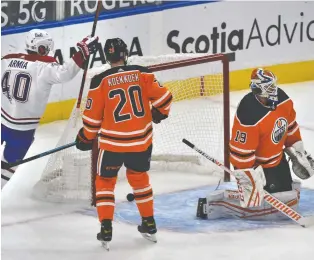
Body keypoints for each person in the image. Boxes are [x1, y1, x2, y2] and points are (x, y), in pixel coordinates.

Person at [75, 38, 172, 246]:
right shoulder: (142, 73)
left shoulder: (99, 80)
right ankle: (149, 223)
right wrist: (159, 113)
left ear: (107, 57)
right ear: (124, 54)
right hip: (140, 142)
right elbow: (165, 98)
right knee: (139, 178)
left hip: (112, 145)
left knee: (105, 181)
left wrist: (85, 137)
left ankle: (106, 227)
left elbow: (92, 121)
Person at [196, 68, 314, 220]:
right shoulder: (248, 112)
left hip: (277, 160)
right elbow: (240, 152)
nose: (274, 90)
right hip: (258, 167)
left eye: (274, 85)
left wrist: (297, 149)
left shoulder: (283, 99)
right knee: (257, 206)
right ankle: (215, 203)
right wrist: (248, 177)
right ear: (259, 89)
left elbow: (290, 125)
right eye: (270, 87)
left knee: (288, 199)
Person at [1, 29, 99, 188]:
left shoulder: (7, 59)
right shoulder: (44, 68)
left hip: (1, 119)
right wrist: (82, 53)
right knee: (8, 165)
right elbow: (65, 73)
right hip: (22, 129)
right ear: (42, 48)